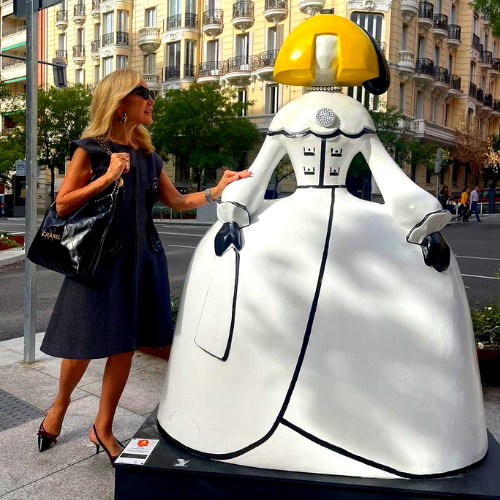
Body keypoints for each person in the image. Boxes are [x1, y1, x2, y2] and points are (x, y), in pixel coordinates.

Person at [36, 68, 250, 464]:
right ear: (120, 102)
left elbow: (177, 202)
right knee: (83, 342)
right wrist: (108, 177)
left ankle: (103, 426)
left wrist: (216, 190)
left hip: (140, 261)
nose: (153, 100)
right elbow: (63, 205)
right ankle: (60, 405)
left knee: (125, 346)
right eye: (145, 93)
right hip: (98, 261)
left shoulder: (149, 156)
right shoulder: (91, 149)